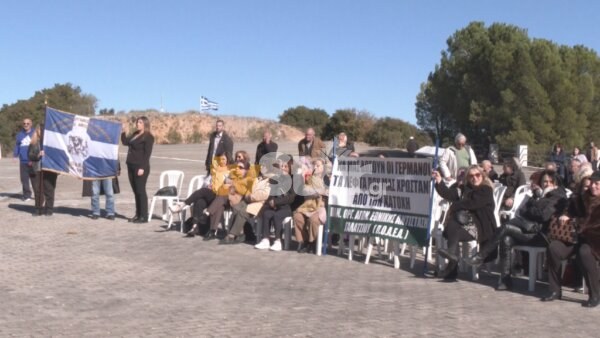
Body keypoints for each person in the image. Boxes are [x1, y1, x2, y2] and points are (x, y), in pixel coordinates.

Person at [465, 171, 568, 290]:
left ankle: (482, 255)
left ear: (556, 183)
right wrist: (535, 202)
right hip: (529, 230)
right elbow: (522, 210)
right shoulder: (539, 194)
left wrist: (532, 208)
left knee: (506, 227)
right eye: (545, 181)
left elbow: (544, 216)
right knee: (506, 239)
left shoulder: (557, 196)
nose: (547, 184)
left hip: (542, 235)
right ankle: (505, 279)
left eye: (551, 182)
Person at [433, 165, 496, 281]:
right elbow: (449, 194)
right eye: (471, 176)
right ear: (467, 178)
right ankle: (452, 257)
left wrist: (455, 206)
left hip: (480, 227)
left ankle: (451, 269)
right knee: (453, 225)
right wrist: (439, 181)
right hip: (464, 224)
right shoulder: (464, 189)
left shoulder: (486, 190)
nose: (475, 178)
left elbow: (473, 203)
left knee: (453, 225)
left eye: (477, 175)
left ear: (482, 176)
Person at [255, 156, 296, 251]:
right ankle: (266, 239)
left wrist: (276, 202)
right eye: (281, 166)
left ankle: (278, 240)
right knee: (266, 213)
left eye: (285, 167)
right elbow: (271, 192)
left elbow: (291, 197)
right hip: (274, 206)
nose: (283, 169)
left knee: (277, 215)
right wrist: (271, 201)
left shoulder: (292, 180)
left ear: (290, 168)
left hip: (286, 207)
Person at [121, 116, 154, 223]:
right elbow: (126, 142)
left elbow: (147, 154)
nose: (137, 124)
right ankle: (138, 214)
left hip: (140, 167)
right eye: (137, 122)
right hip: (130, 165)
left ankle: (143, 216)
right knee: (136, 191)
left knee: (141, 191)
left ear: (145, 124)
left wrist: (142, 168)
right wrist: (123, 132)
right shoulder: (135, 134)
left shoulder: (148, 137)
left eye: (140, 122)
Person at [293, 158, 328, 253]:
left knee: (314, 220)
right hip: (309, 205)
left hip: (321, 207)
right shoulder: (309, 178)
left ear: (323, 167)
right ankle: (304, 240)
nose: (315, 167)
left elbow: (328, 192)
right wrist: (318, 191)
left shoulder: (327, 180)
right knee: (297, 217)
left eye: (318, 166)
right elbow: (304, 190)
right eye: (314, 166)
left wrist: (320, 191)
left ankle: (314, 242)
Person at [14, 118, 35, 201]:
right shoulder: (19, 135)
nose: (26, 125)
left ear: (31, 124)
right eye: (24, 123)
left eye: (28, 123)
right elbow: (17, 145)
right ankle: (27, 195)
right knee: (24, 179)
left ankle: (38, 195)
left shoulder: (35, 133)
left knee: (34, 180)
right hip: (23, 160)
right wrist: (15, 155)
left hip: (33, 160)